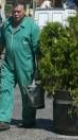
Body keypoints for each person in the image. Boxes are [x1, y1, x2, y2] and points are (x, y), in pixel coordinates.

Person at [0, 2, 40, 131]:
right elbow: (1, 43)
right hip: (8, 65)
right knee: (4, 89)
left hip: (25, 66)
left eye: (19, 12)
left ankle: (28, 120)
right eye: (14, 12)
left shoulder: (31, 26)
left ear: (24, 12)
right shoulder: (6, 24)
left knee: (26, 93)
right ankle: (3, 120)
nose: (16, 14)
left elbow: (38, 49)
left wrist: (40, 67)